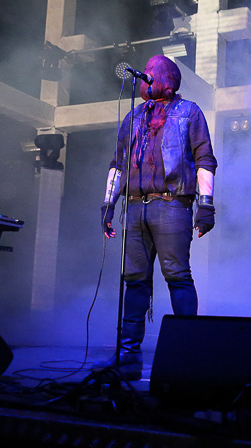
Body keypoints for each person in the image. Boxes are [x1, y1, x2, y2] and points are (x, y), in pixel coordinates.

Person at [95, 55, 217, 379]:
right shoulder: (133, 118)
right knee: (133, 282)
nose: (146, 77)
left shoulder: (188, 112)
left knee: (177, 276)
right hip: (134, 207)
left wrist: (206, 205)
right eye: (145, 73)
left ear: (167, 78)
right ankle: (128, 358)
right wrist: (108, 204)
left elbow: (205, 159)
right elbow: (117, 164)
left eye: (152, 73)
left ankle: (186, 356)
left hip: (171, 205)